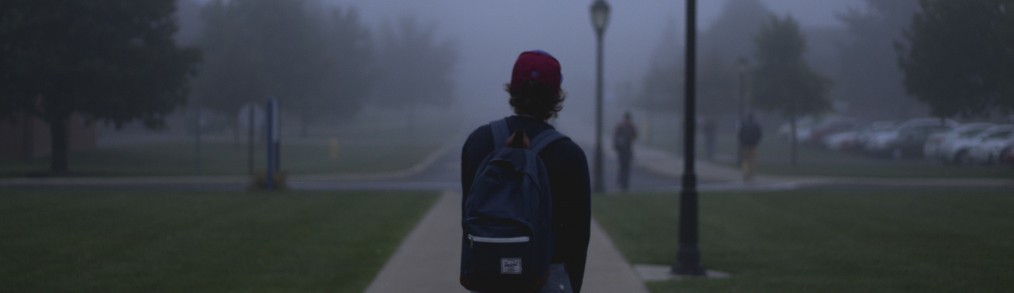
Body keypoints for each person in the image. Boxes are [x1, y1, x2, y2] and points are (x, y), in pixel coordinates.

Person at [460, 50, 590, 293]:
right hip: (548, 277)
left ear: (513, 89)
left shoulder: (478, 142)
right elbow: (577, 239)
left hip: (488, 276)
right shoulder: (570, 155)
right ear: (556, 95)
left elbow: (468, 218)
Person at [612, 112, 638, 191]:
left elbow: (634, 135)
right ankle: (622, 183)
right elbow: (634, 136)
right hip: (624, 150)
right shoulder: (629, 126)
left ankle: (623, 183)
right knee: (624, 167)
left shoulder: (622, 126)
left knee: (624, 167)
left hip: (624, 150)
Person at [737, 113, 763, 181]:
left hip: (745, 145)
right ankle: (752, 173)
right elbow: (759, 134)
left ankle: (745, 173)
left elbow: (740, 134)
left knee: (745, 159)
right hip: (753, 145)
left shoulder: (744, 125)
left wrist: (742, 142)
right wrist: (757, 141)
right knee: (753, 159)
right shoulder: (756, 125)